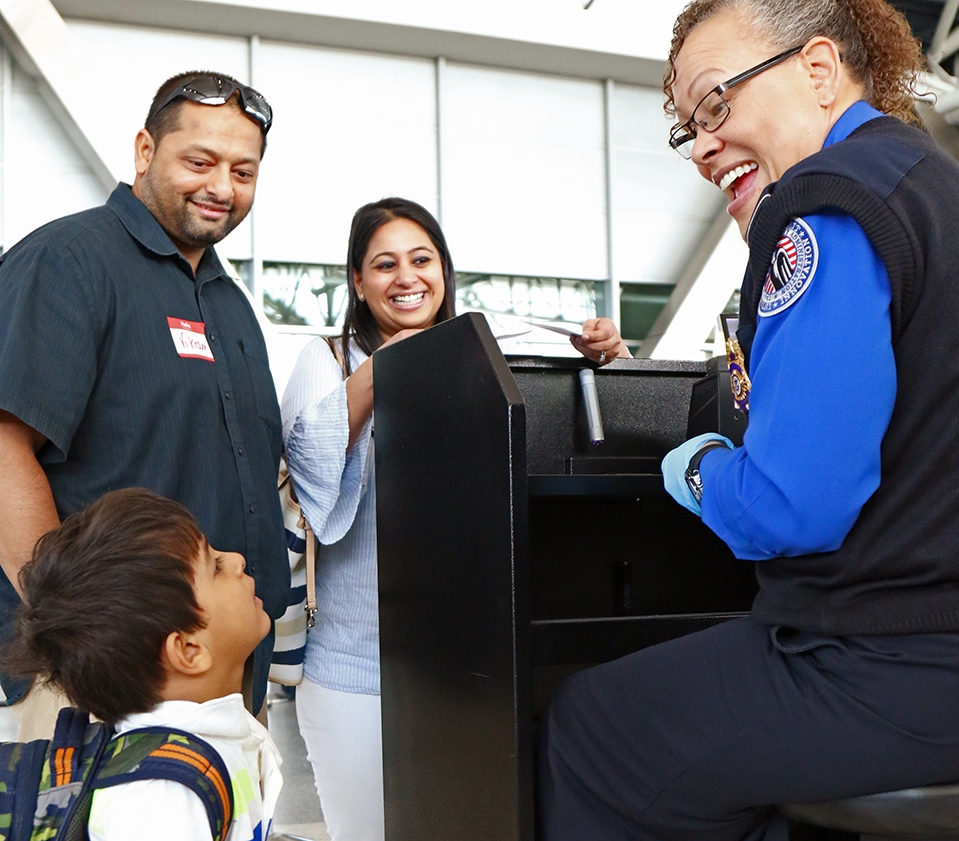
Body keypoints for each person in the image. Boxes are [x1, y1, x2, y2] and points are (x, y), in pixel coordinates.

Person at [536, 1, 959, 839]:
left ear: (817, 69)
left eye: (715, 105)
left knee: (591, 727)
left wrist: (696, 467)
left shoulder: (824, 206)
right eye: (686, 128)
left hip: (886, 659)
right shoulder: (931, 184)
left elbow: (788, 506)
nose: (699, 147)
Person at [0, 71, 288, 735]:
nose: (222, 187)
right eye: (200, 161)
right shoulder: (69, 261)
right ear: (144, 151)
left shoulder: (230, 304)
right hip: (103, 683)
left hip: (223, 684)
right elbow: (6, 447)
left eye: (243, 171)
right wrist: (77, 636)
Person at [280, 196, 456, 841]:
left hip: (465, 667)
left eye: (421, 259)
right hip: (353, 668)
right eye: (384, 265)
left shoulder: (475, 361)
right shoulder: (326, 361)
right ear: (357, 280)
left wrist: (608, 358)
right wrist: (385, 370)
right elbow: (309, 473)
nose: (406, 278)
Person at [4, 487, 283, 841]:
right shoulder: (161, 800)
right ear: (188, 650)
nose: (236, 561)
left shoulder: (214, 735)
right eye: (214, 566)